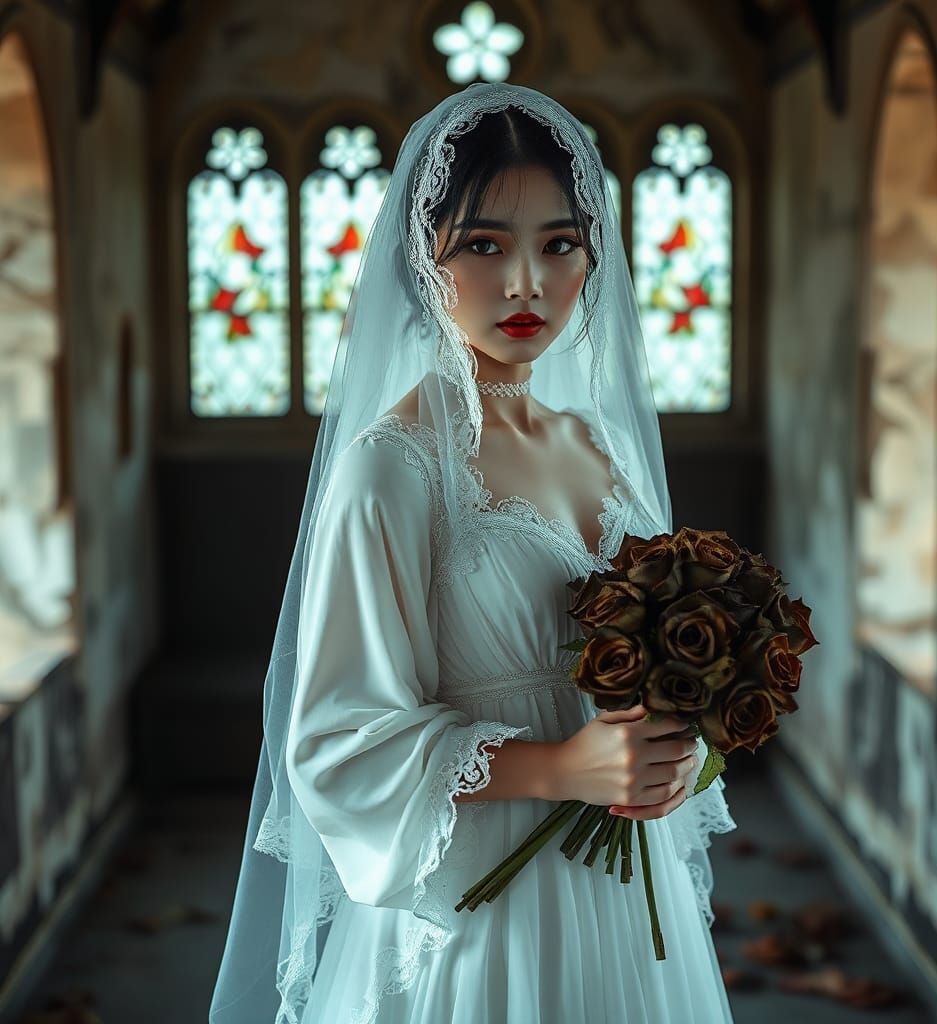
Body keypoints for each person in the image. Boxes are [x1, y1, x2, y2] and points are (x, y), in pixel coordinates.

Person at [209, 82, 738, 1024]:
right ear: (424, 258)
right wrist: (561, 768)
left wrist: (674, 741)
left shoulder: (597, 447)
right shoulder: (394, 468)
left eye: (559, 244)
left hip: (627, 903)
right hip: (479, 913)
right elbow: (334, 750)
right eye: (484, 246)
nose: (526, 283)